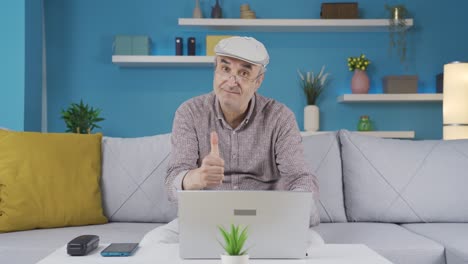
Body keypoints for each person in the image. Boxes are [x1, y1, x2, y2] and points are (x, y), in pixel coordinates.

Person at [165, 36, 320, 226]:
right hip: (205, 221)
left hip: (265, 222)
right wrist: (196, 177)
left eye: (244, 73)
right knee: (152, 243)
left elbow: (300, 178)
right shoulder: (189, 113)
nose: (231, 81)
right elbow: (172, 180)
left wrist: (293, 214)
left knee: (315, 249)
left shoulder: (280, 117)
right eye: (225, 69)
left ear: (258, 81)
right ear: (215, 70)